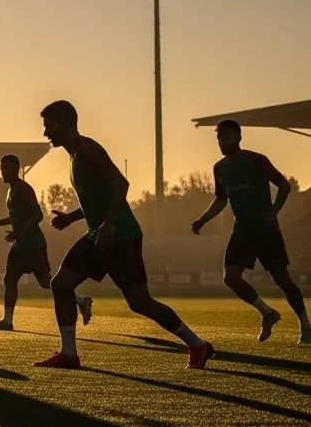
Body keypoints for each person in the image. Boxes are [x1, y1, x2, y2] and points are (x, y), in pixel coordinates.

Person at [34, 100, 213, 369]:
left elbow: (121, 183)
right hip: (99, 235)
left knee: (140, 302)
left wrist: (109, 225)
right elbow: (100, 198)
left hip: (121, 237)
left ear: (67, 125)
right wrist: (72, 217)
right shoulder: (73, 156)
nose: (46, 133)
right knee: (60, 284)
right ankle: (69, 354)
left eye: (50, 127)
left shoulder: (86, 149)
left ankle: (198, 345)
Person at [192, 119, 311, 344]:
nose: (221, 142)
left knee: (281, 279)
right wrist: (203, 220)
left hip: (266, 231)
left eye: (225, 137)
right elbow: (221, 199)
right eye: (218, 138)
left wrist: (273, 212)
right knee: (231, 277)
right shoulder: (219, 168)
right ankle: (268, 313)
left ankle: (306, 324)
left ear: (238, 137)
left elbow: (284, 186)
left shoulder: (256, 160)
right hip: (242, 230)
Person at [0, 152, 92, 331]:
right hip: (20, 244)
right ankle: (7, 321)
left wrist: (19, 233)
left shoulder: (23, 188)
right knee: (9, 280)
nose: (3, 171)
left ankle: (81, 301)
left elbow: (37, 215)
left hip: (33, 244)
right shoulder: (11, 190)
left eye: (6, 168)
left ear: (16, 170)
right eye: (1, 168)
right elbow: (16, 216)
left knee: (45, 282)